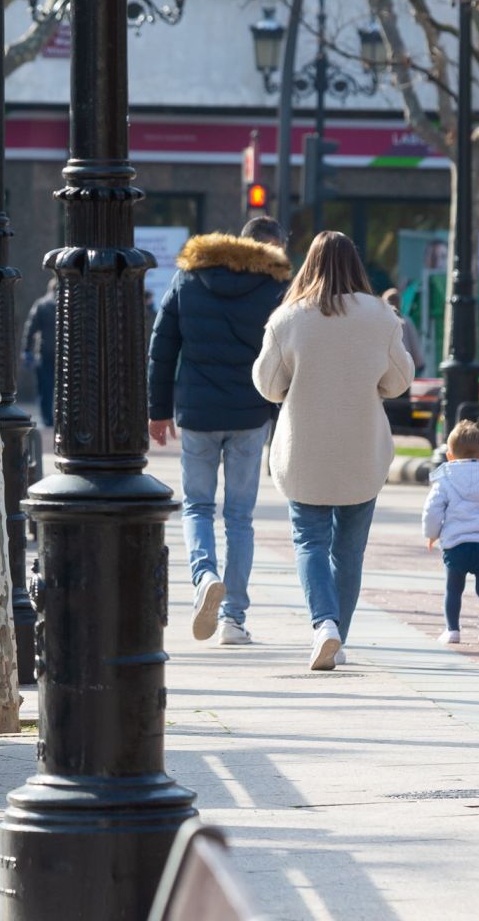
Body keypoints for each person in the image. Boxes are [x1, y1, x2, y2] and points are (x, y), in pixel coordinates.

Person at [252, 231, 414, 671]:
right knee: (349, 550)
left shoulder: (288, 318)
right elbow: (399, 380)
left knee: (309, 540)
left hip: (304, 449)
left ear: (309, 264)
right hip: (361, 450)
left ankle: (323, 624)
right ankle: (339, 634)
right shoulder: (382, 316)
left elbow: (268, 384)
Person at [146, 216, 291, 646]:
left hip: (197, 412)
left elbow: (162, 346)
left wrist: (158, 411)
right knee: (240, 518)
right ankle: (233, 618)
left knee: (197, 507)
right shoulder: (273, 289)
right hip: (250, 413)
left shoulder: (188, 279)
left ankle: (203, 575)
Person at [423, 420, 479, 645]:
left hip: (456, 544)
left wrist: (432, 534)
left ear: (449, 456)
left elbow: (432, 509)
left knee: (454, 589)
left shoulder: (445, 478)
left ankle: (452, 630)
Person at [23, 279, 58, 426]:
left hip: (44, 352)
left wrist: (26, 350)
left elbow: (30, 328)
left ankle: (47, 419)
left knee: (45, 388)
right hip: (63, 353)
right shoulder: (67, 304)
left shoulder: (42, 304)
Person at [384, 288, 426, 373]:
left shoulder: (382, 322)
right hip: (404, 365)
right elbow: (414, 343)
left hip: (386, 367)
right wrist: (420, 363)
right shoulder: (406, 321)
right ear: (400, 303)